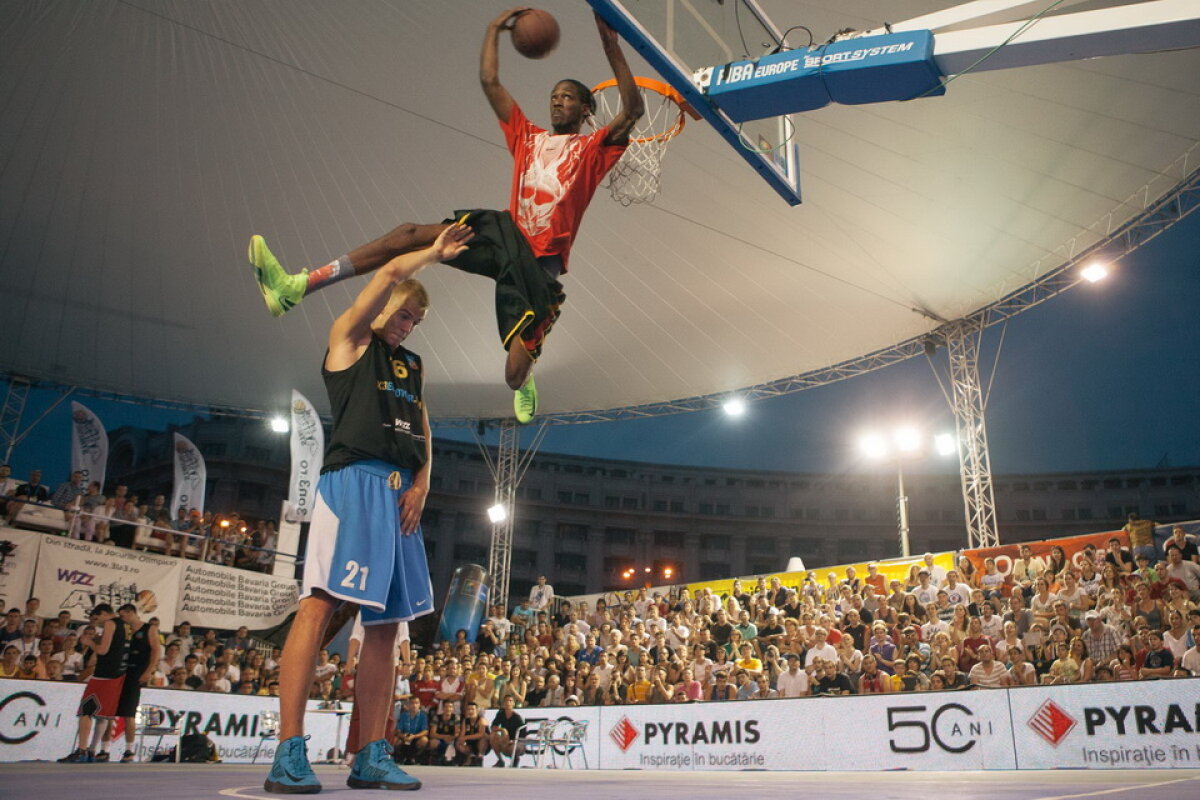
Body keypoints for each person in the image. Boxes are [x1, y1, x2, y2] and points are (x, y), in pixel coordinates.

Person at [249, 11, 642, 424]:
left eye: (567, 97)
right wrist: (493, 30)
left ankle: (530, 366)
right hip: (503, 234)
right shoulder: (529, 137)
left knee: (512, 377)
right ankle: (298, 285)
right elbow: (490, 82)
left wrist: (610, 45)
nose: (557, 101)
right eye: (554, 95)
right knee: (409, 234)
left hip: (538, 265)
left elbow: (632, 107)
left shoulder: (593, 149)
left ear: (585, 109)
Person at [263, 226, 468, 794]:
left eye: (414, 322)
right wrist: (431, 254)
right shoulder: (349, 340)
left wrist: (424, 483)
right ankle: (288, 748)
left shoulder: (412, 366)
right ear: (383, 311)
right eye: (403, 316)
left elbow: (424, 426)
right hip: (351, 483)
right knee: (320, 605)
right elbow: (385, 275)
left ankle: (370, 753)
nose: (406, 326)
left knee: (387, 625)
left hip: (400, 495)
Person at [59, 604, 128, 763]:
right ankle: (92, 749)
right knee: (102, 714)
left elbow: (103, 650)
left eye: (97, 619)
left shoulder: (111, 623)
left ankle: (82, 750)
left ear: (104, 614)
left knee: (86, 710)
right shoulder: (122, 626)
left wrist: (89, 642)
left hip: (103, 674)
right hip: (115, 674)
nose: (96, 623)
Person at [101, 604, 160, 763]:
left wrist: (149, 671)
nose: (122, 619)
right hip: (119, 671)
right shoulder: (123, 629)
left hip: (137, 672)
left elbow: (155, 650)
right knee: (110, 711)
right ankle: (105, 748)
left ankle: (129, 750)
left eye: (124, 615)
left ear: (131, 613)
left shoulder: (149, 628)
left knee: (128, 712)